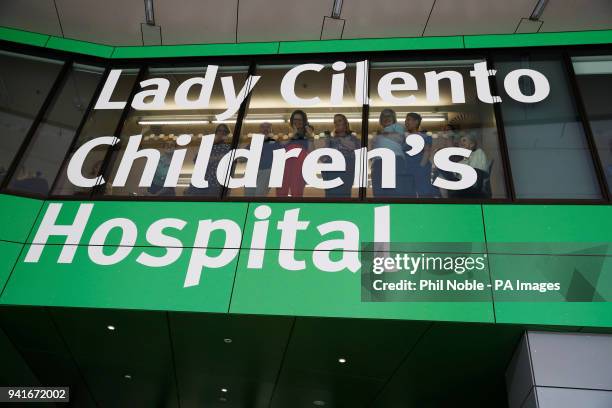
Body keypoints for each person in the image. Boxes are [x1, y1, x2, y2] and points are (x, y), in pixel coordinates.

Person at [371, 109, 414, 197]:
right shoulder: (378, 134)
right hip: (378, 163)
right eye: (383, 116)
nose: (386, 118)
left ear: (393, 118)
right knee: (379, 192)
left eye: (389, 116)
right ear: (380, 119)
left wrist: (382, 134)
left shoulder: (397, 127)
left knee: (395, 191)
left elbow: (399, 138)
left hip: (394, 160)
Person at [186, 124, 232, 197]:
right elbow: (197, 161)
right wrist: (217, 158)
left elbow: (228, 162)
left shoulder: (229, 147)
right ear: (216, 132)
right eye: (219, 130)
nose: (221, 133)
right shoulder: (207, 146)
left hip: (216, 183)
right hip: (201, 181)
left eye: (224, 131)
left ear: (227, 134)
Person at [320, 114, 361, 198]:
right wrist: (327, 142)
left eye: (339, 120)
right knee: (330, 198)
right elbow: (323, 158)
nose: (336, 123)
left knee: (344, 197)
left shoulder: (353, 139)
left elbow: (358, 152)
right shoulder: (331, 139)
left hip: (346, 173)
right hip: (331, 173)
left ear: (346, 123)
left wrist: (339, 139)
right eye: (335, 122)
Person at [276, 110, 313, 197]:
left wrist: (310, 137)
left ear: (304, 122)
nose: (297, 122)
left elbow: (311, 152)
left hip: (300, 167)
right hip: (284, 166)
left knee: (297, 192)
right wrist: (293, 135)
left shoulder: (307, 136)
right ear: (292, 121)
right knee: (281, 191)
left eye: (300, 120)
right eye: (295, 119)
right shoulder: (285, 134)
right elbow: (280, 146)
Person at [405, 112, 439, 198]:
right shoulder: (404, 138)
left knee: (424, 193)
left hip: (420, 168)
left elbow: (427, 152)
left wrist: (421, 167)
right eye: (406, 120)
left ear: (416, 122)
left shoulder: (424, 137)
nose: (406, 122)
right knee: (409, 193)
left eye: (408, 119)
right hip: (407, 169)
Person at [244, 122, 281, 197]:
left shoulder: (274, 142)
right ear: (260, 129)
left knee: (259, 194)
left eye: (267, 127)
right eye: (263, 127)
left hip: (266, 171)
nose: (265, 129)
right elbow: (244, 155)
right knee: (248, 195)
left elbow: (280, 157)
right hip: (251, 171)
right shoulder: (254, 141)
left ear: (271, 129)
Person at [449, 132, 490, 198]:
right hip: (462, 192)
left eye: (464, 140)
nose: (461, 143)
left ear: (472, 144)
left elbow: (478, 174)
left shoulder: (478, 153)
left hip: (475, 191)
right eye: (460, 142)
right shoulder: (460, 163)